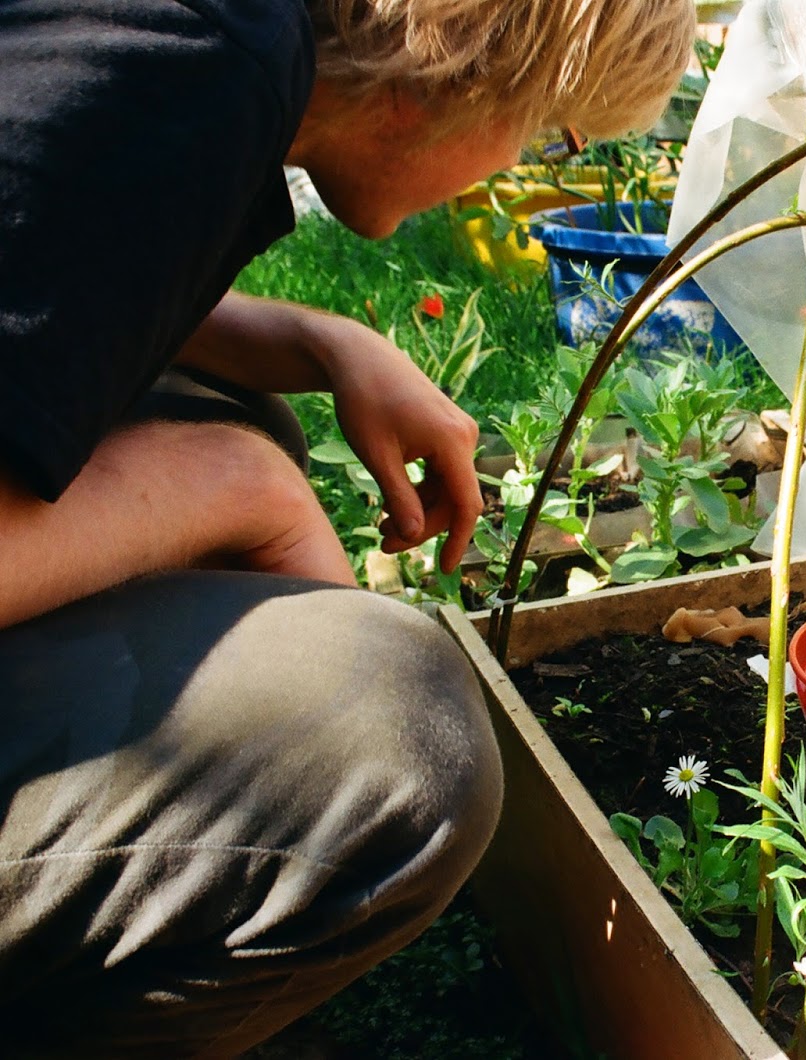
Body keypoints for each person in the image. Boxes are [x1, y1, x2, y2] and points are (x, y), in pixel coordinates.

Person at [0, 0, 694, 1054]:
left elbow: (41, 292)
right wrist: (235, 484)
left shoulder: (200, 37)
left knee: (228, 412)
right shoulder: (200, 67)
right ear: (467, 65)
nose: (516, 167)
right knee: (392, 733)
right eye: (548, 131)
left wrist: (312, 340)